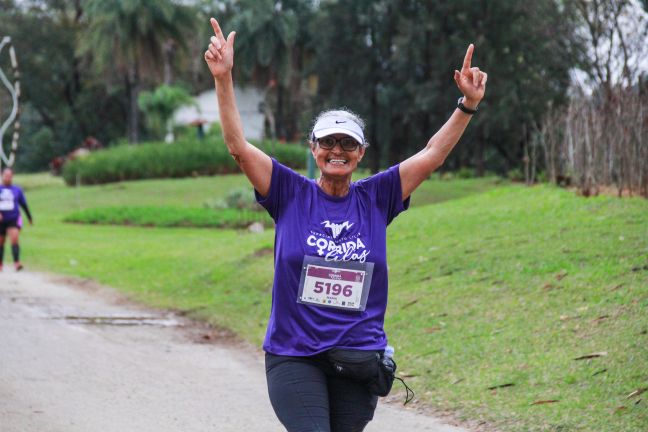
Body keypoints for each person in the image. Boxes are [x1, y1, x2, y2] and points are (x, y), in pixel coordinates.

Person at [204, 17, 487, 432]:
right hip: (294, 354)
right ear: (313, 148)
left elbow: (431, 155)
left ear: (360, 152)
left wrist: (467, 106)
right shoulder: (289, 192)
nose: (337, 150)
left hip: (357, 357)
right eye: (328, 142)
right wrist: (224, 78)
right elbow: (237, 147)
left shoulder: (377, 197)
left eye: (347, 143)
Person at [0, 168, 33, 271]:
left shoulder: (17, 190)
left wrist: (29, 217)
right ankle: (0, 264)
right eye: (6, 175)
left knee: (14, 240)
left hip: (13, 218)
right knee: (1, 242)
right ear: (2, 175)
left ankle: (17, 263)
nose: (7, 177)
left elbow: (23, 204)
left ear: (12, 176)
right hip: (1, 220)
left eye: (9, 176)